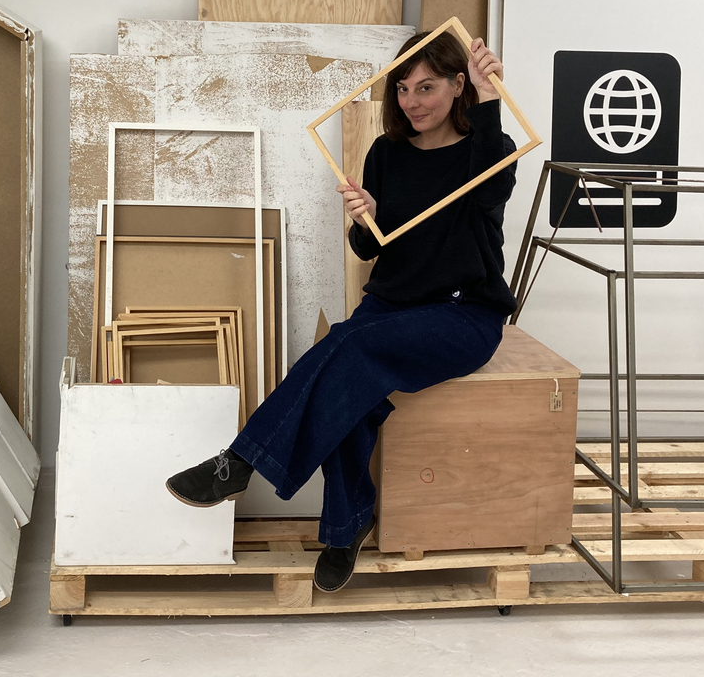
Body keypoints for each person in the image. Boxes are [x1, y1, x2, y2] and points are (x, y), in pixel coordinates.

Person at [166, 30, 518, 593]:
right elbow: (369, 249)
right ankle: (346, 525)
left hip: (463, 316)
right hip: (392, 305)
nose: (411, 101)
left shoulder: (489, 149)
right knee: (354, 380)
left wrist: (489, 94)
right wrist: (366, 217)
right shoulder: (386, 152)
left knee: (346, 346)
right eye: (402, 88)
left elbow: (492, 190)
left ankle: (242, 462)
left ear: (459, 85)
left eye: (426, 87)